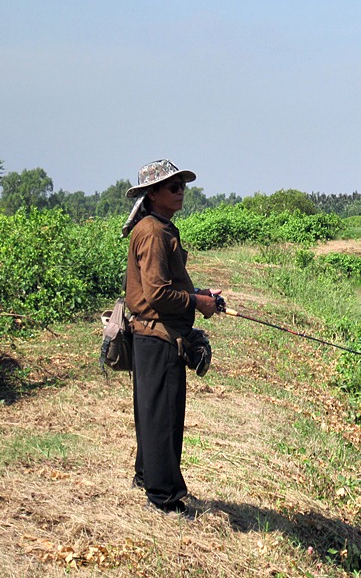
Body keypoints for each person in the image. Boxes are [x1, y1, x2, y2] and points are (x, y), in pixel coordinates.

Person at [122, 159, 222, 515]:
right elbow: (157, 294)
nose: (181, 192)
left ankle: (148, 476)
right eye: (173, 187)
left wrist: (201, 294)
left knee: (152, 412)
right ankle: (163, 498)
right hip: (156, 336)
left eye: (182, 186)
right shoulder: (152, 232)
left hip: (157, 336)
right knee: (163, 418)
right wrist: (197, 301)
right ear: (153, 193)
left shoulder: (161, 228)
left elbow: (168, 285)